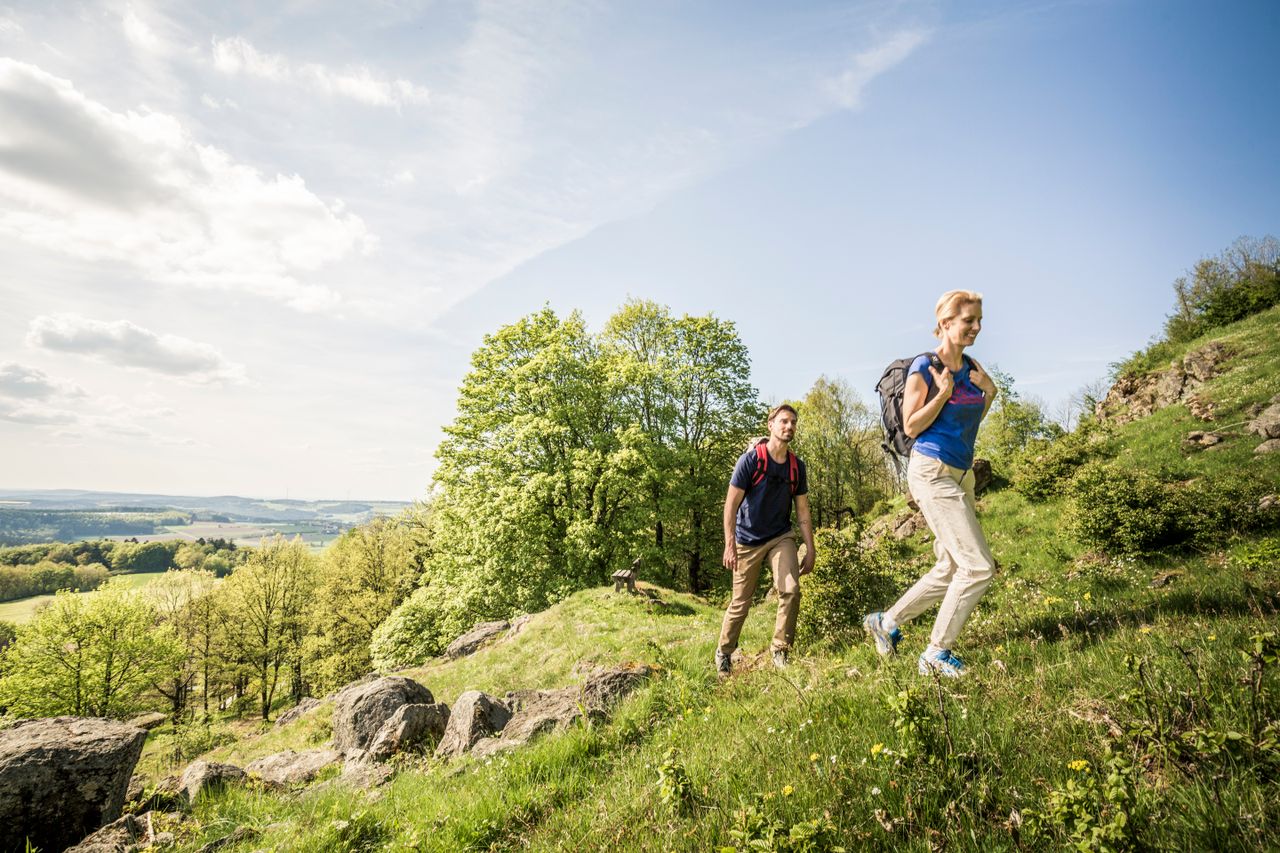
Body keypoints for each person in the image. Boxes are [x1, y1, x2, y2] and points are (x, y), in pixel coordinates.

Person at [864, 290, 998, 678]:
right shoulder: (926, 366)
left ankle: (886, 623)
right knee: (977, 567)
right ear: (945, 323)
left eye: (979, 321)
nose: (976, 327)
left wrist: (989, 392)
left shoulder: (972, 365)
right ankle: (936, 654)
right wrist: (942, 394)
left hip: (962, 472)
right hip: (932, 470)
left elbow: (971, 420)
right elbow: (912, 425)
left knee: (950, 565)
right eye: (968, 320)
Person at [716, 404, 815, 674]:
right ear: (770, 425)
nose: (789, 426)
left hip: (780, 537)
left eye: (793, 422)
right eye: (783, 421)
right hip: (747, 540)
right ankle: (724, 651)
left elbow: (803, 511)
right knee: (741, 602)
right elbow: (730, 505)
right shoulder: (751, 461)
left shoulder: (797, 467)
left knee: (791, 590)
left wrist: (810, 547)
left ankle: (780, 649)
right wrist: (729, 544)